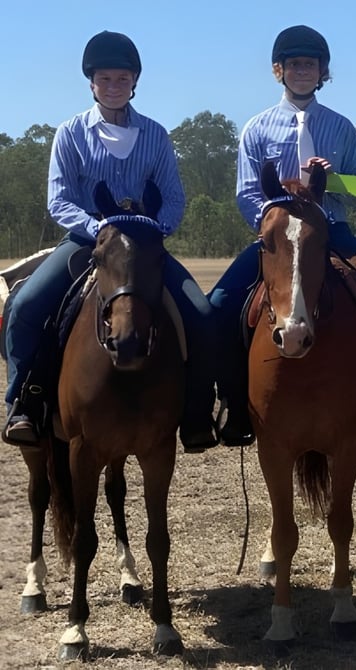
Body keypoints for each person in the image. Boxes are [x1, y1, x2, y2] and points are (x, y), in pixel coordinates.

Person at [3, 31, 219, 452]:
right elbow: (59, 199)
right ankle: (23, 403)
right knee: (26, 307)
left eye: (122, 79)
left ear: (134, 81)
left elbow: (174, 197)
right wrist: (98, 230)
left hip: (144, 247)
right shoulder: (69, 134)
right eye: (105, 79)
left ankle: (195, 411)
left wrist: (155, 231)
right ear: (91, 83)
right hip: (86, 244)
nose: (114, 86)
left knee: (203, 314)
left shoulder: (156, 135)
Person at [208, 25, 356, 445]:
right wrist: (274, 225)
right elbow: (248, 193)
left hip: (333, 231)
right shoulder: (256, 129)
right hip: (279, 236)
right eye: (295, 64)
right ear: (278, 70)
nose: (303, 71)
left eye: (311, 64)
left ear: (323, 72)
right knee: (218, 304)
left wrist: (337, 182)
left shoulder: (342, 128)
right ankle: (232, 402)